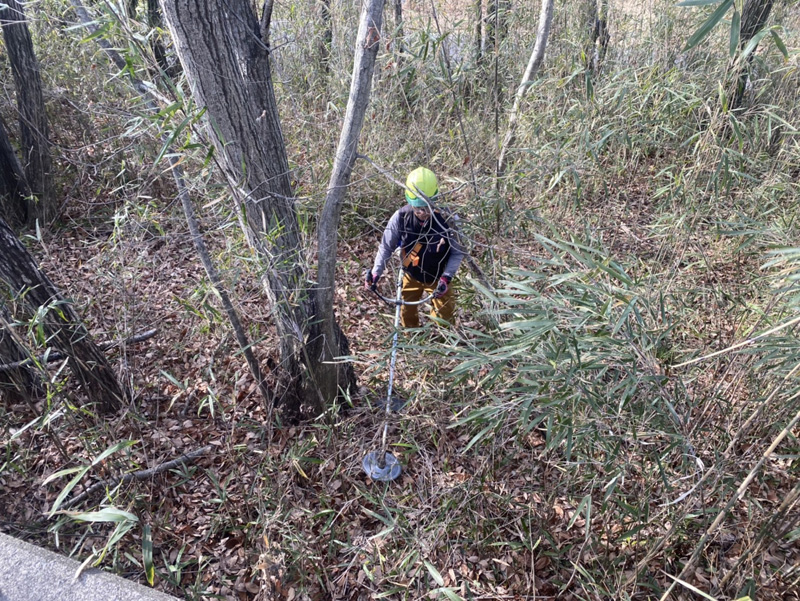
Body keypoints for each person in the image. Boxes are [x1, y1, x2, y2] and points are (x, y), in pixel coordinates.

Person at [365, 167, 464, 328]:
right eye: (418, 208)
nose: (423, 212)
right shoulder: (400, 217)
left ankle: (443, 341)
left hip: (439, 277)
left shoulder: (449, 220)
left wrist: (447, 277)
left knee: (444, 316)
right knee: (406, 314)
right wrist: (376, 272)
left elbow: (458, 252)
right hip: (411, 275)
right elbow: (386, 247)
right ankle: (411, 338)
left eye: (427, 207)